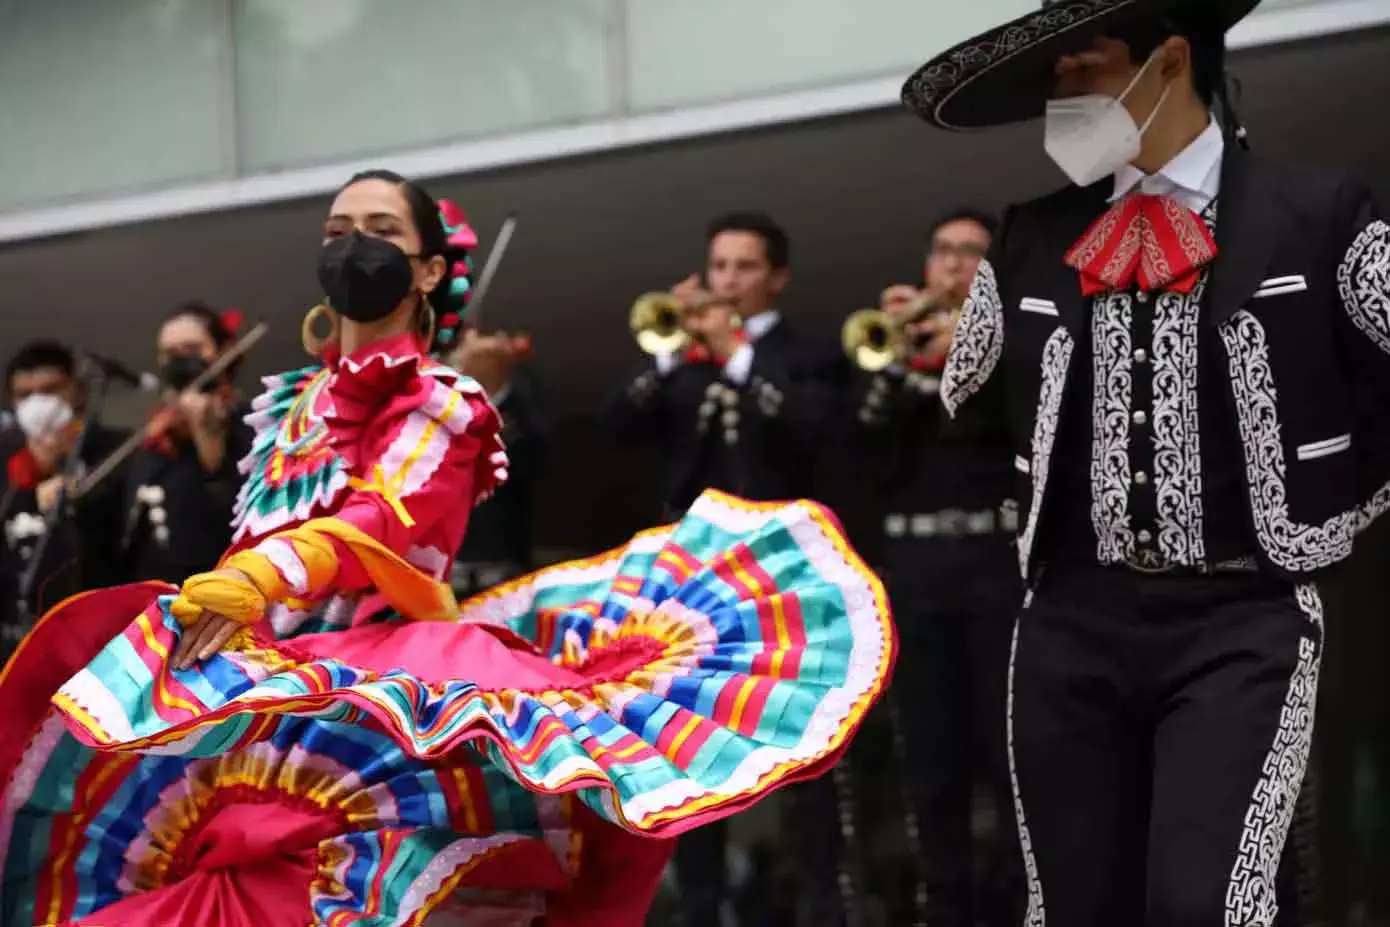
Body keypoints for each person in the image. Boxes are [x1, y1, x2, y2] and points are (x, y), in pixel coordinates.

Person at [0, 170, 895, 927]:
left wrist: (262, 575)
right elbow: (256, 535)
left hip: (394, 700)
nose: (355, 244)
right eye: (339, 229)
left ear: (428, 268)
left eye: (381, 231)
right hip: (265, 688)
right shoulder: (291, 408)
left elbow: (385, 522)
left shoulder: (440, 397)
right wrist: (229, 607)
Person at [901, 0, 1390, 923]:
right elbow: (962, 409)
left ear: (1166, 61)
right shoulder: (1029, 235)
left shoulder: (1318, 212)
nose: (1064, 98)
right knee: (1075, 906)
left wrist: (1336, 504)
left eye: (1080, 69)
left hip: (1242, 617)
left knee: (1205, 902)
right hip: (1068, 623)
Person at [604, 212, 849, 926]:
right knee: (689, 747)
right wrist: (671, 353)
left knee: (806, 749)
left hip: (782, 585)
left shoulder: (807, 354)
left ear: (777, 278)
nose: (728, 281)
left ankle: (821, 905)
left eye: (744, 268)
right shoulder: (681, 361)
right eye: (719, 267)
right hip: (692, 588)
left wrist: (737, 355)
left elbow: (817, 431)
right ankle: (702, 908)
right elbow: (616, 424)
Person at [851, 208, 1022, 927]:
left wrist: (980, 351)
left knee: (1007, 748)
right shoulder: (894, 350)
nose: (953, 266)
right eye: (943, 252)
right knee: (929, 751)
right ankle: (942, 908)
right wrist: (897, 364)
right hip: (916, 570)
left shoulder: (1019, 344)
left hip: (994, 563)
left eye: (971, 255)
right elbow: (861, 444)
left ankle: (1022, 904)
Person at [0, 340, 127, 659]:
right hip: (16, 642)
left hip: (97, 643)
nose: (38, 404)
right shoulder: (5, 461)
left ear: (77, 392)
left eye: (50, 389)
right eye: (25, 395)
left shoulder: (114, 453)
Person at [118, 302, 255, 585]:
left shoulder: (250, 424)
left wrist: (211, 447)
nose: (181, 361)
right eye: (169, 354)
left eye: (192, 349)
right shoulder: (156, 435)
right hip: (153, 603)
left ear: (224, 352)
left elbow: (238, 521)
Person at [445, 326, 548, 596]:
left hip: (504, 559)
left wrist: (494, 390)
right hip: (443, 563)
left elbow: (537, 461)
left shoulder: (523, 394)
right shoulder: (435, 397)